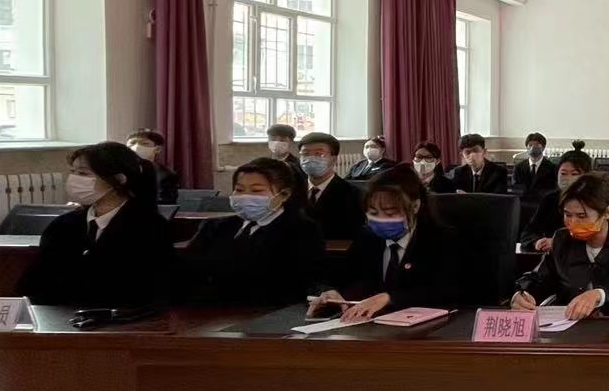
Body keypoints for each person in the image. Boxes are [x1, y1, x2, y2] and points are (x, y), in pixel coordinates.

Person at [21, 142, 175, 309]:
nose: (73, 179)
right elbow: (38, 279)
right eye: (73, 172)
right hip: (60, 314)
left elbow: (146, 287)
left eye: (83, 173)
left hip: (117, 316)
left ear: (118, 180)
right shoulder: (64, 225)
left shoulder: (147, 226)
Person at [311, 166, 466, 321]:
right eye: (373, 212)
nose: (381, 219)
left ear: (415, 206)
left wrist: (390, 297)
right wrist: (334, 292)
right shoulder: (368, 236)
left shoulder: (442, 239)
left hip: (427, 326)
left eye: (390, 213)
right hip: (370, 325)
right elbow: (347, 276)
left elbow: (447, 291)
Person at [180, 157, 325, 307]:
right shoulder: (216, 226)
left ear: (284, 194)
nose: (245, 196)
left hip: (267, 311)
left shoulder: (302, 230)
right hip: (209, 311)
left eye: (256, 191)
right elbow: (188, 270)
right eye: (239, 190)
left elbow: (297, 283)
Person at [510, 174, 609, 319]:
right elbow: (538, 277)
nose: (573, 223)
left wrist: (599, 294)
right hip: (567, 322)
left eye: (582, 216)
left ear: (607, 213)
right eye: (568, 215)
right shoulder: (562, 239)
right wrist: (522, 293)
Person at [521, 145, 595, 252]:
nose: (568, 178)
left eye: (574, 174)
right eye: (563, 173)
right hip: (552, 256)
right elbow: (529, 232)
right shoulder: (550, 199)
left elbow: (596, 237)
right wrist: (536, 242)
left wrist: (558, 243)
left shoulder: (595, 200)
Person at [296, 131, 366, 240]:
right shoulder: (292, 191)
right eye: (305, 154)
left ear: (333, 159)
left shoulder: (354, 194)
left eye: (319, 154)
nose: (310, 159)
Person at [126, 129, 179, 204]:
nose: (136, 147)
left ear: (157, 149)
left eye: (144, 143)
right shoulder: (119, 171)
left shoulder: (166, 175)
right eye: (132, 143)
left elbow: (165, 202)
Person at [511, 132, 558, 208]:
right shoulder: (518, 167)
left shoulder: (553, 168)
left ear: (543, 147)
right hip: (523, 205)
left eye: (536, 145)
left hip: (544, 205)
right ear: (526, 147)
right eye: (530, 145)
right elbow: (516, 187)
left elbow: (553, 189)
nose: (533, 147)